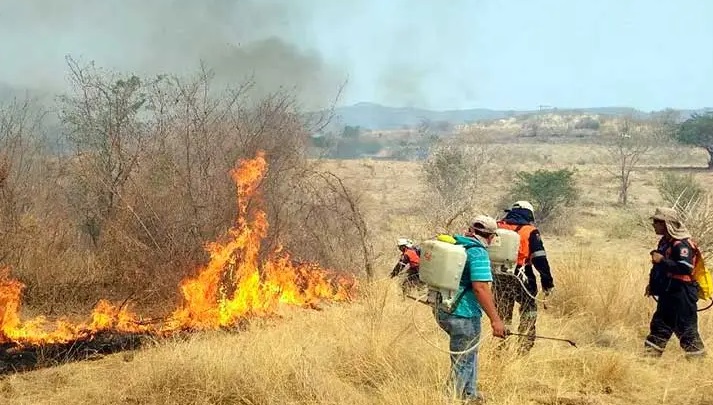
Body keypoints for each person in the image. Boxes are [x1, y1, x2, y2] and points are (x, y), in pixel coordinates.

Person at [433, 215, 506, 403]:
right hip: (464, 313)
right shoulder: (478, 253)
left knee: (468, 353)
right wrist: (496, 320)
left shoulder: (459, 244)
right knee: (463, 360)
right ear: (490, 236)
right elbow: (480, 287)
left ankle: (470, 395)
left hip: (443, 309)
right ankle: (451, 399)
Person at [493, 200, 554, 355]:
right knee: (529, 310)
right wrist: (547, 282)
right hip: (523, 276)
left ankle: (500, 349)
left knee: (502, 314)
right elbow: (540, 259)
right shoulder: (530, 231)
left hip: (498, 276)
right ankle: (523, 348)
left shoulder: (496, 227)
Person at [645, 207, 706, 358]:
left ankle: (699, 368)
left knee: (687, 332)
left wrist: (662, 260)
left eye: (656, 222)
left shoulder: (681, 244)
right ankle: (647, 365)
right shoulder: (665, 242)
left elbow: (685, 268)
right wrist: (652, 285)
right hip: (669, 294)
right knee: (659, 327)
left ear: (666, 224)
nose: (654, 224)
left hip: (681, 295)